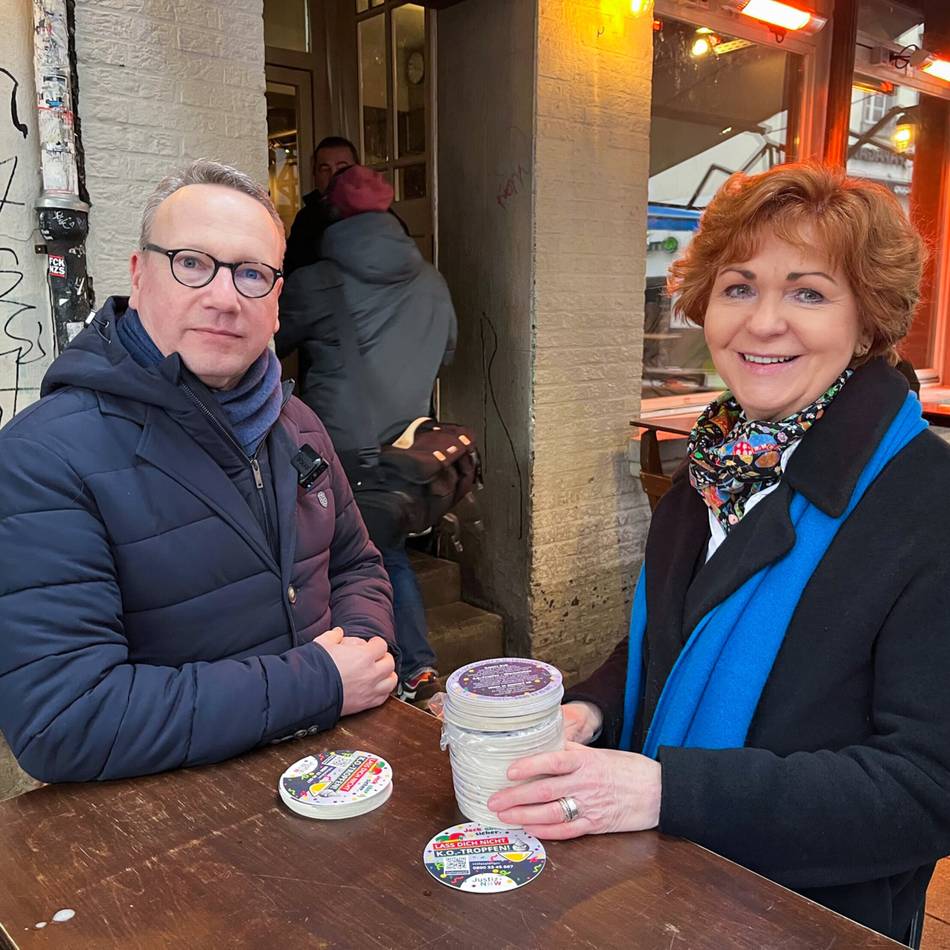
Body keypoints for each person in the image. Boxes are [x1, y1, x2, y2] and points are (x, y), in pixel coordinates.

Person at [487, 163, 950, 944]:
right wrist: (591, 707)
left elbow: (927, 788)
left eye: (808, 292)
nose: (762, 323)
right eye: (738, 287)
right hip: (654, 897)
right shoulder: (713, 468)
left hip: (812, 916)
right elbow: (666, 639)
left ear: (868, 321)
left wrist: (672, 793)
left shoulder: (927, 506)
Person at [0, 159, 397, 784]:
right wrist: (319, 682)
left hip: (331, 779)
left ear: (276, 302)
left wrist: (367, 647)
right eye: (192, 263)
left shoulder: (296, 423)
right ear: (139, 275)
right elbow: (64, 720)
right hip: (169, 829)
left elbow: (356, 564)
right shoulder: (43, 460)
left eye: (251, 274)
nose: (223, 297)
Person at [276, 164, 457, 708]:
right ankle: (411, 672)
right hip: (405, 440)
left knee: (352, 561)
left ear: (333, 212)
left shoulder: (319, 279)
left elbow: (267, 340)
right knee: (386, 553)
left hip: (336, 443)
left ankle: (394, 670)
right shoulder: (431, 279)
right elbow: (446, 352)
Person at [282, 135, 358, 277]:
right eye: (325, 169)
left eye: (342, 167)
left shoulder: (378, 214)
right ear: (315, 175)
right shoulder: (305, 219)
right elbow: (292, 272)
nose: (334, 175)